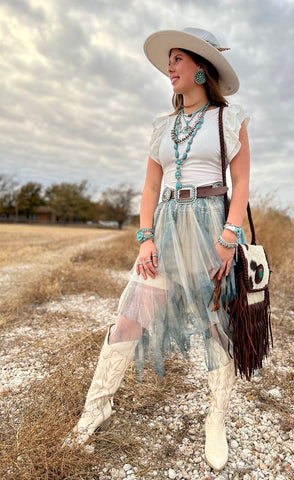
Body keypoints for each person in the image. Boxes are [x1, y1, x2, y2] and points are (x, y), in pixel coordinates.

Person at [67, 27, 250, 472]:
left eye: (177, 60)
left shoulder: (229, 119)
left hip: (212, 229)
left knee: (215, 325)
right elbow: (151, 187)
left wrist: (229, 238)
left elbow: (242, 183)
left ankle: (216, 418)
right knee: (130, 314)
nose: (170, 68)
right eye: (168, 61)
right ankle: (97, 406)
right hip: (166, 226)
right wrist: (144, 236)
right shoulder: (162, 127)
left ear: (201, 67)